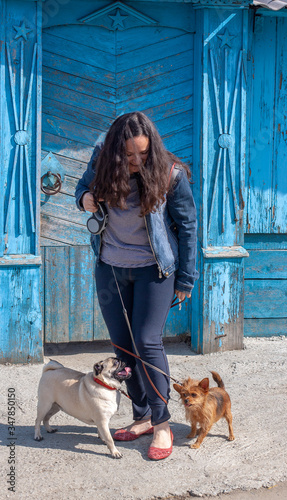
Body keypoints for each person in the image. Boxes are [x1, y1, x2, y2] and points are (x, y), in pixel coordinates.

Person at [75, 112, 198, 460]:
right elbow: (81, 188)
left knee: (147, 341)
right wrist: (85, 197)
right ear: (114, 151)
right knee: (124, 349)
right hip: (111, 269)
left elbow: (188, 227)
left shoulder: (169, 173)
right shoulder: (101, 161)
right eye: (128, 155)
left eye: (143, 154)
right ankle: (141, 416)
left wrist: (186, 278)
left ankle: (162, 425)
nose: (136, 161)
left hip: (154, 270)